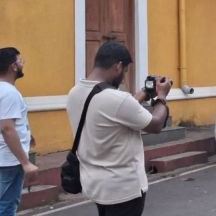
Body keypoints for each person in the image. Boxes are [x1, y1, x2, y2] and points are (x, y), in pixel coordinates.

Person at [66, 42, 171, 216]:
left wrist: (143, 93)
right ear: (118, 66)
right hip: (124, 190)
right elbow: (156, 124)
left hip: (96, 186)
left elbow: (113, 113)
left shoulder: (74, 93)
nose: (123, 77)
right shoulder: (118, 99)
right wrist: (161, 97)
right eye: (125, 72)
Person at [0, 47, 38, 216]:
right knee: (7, 205)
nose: (22, 64)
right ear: (13, 66)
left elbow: (6, 123)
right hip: (9, 159)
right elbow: (7, 128)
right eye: (20, 61)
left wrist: (28, 136)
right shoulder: (9, 93)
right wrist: (25, 162)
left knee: (5, 201)